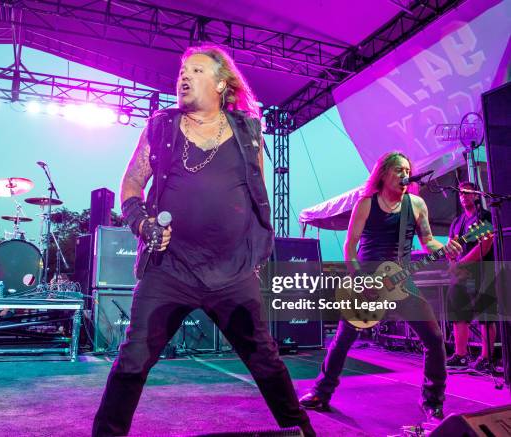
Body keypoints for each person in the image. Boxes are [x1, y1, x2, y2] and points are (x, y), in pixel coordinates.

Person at [92, 45, 315, 436]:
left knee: (266, 361)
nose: (184, 76)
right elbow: (130, 183)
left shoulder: (248, 131)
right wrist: (142, 224)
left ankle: (304, 434)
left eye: (196, 70)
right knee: (132, 361)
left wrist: (256, 249)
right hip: (170, 270)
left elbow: (256, 193)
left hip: (232, 273)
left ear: (220, 83)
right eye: (182, 70)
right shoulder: (161, 126)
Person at [299, 151, 462, 421]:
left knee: (434, 339)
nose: (404, 174)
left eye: (406, 169)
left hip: (402, 280)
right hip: (366, 281)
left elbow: (428, 241)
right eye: (398, 169)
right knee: (343, 339)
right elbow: (350, 247)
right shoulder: (366, 204)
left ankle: (433, 401)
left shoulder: (417, 204)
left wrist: (444, 248)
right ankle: (321, 392)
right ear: (383, 173)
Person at [445, 181, 496, 372]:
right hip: (461, 274)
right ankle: (460, 355)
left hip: (483, 271)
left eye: (467, 193)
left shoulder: (484, 216)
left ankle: (486, 358)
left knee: (486, 315)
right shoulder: (457, 222)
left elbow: (486, 245)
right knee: (457, 312)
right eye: (460, 193)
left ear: (476, 195)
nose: (463, 196)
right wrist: (452, 265)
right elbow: (451, 248)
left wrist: (462, 262)